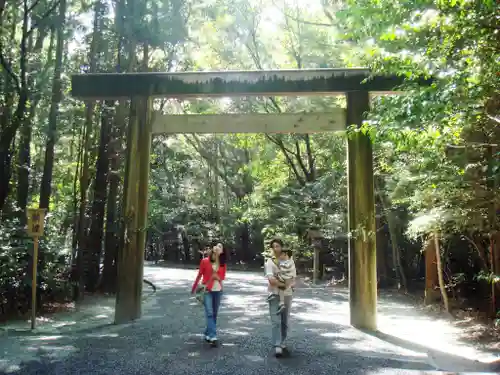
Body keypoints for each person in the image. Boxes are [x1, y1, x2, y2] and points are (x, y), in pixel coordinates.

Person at [264, 238, 296, 357]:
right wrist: (284, 284)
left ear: (282, 247)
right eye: (274, 246)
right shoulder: (270, 262)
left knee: (284, 321)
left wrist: (286, 283)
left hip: (287, 294)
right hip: (274, 294)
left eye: (278, 246)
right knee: (275, 321)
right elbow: (271, 280)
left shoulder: (290, 261)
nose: (276, 248)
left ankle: (282, 341)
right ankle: (277, 345)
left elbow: (293, 279)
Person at [191, 242, 226, 346]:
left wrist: (217, 277)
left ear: (222, 251)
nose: (218, 248)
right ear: (212, 249)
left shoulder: (222, 263)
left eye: (220, 247)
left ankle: (207, 333)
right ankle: (213, 336)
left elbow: (222, 277)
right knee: (210, 313)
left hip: (218, 290)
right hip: (207, 290)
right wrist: (194, 288)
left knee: (214, 314)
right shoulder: (205, 261)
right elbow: (199, 275)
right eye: (216, 246)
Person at [266, 248, 296, 314]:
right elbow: (294, 273)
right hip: (288, 279)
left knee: (276, 280)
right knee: (281, 290)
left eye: (281, 255)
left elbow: (284, 269)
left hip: (284, 278)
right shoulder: (291, 261)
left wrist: (279, 270)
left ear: (285, 255)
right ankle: (281, 303)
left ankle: (273, 295)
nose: (280, 256)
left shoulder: (286, 262)